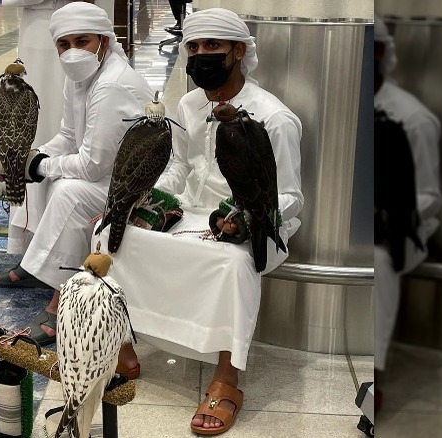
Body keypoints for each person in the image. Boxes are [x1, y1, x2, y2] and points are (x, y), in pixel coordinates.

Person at [95, 8, 303, 435]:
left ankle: (227, 378)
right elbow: (177, 169)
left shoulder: (273, 118)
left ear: (238, 52)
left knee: (232, 264)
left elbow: (290, 197)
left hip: (250, 223)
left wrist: (240, 219)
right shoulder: (189, 104)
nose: (199, 55)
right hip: (189, 210)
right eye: (193, 47)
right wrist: (143, 197)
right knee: (108, 233)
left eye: (212, 47)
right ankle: (123, 348)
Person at [0, 2, 154, 345]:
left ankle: (60, 298)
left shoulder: (112, 84)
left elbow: (92, 166)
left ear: (104, 42)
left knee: (67, 190)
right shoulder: (79, 78)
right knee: (36, 166)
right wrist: (29, 160)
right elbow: (66, 136)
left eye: (83, 41)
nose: (73, 51)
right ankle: (36, 265)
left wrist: (40, 165)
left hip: (135, 185)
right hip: (107, 175)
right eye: (65, 44)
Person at [372, 15, 442, 410]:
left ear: (380, 52)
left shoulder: (412, 118)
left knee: (380, 260)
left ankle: (377, 375)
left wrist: (390, 210)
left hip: (404, 229)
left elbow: (430, 195)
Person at [1, 0, 74, 255]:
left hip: (74, 26)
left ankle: (67, 237)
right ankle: (33, 242)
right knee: (39, 127)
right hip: (40, 32)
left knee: (69, 124)